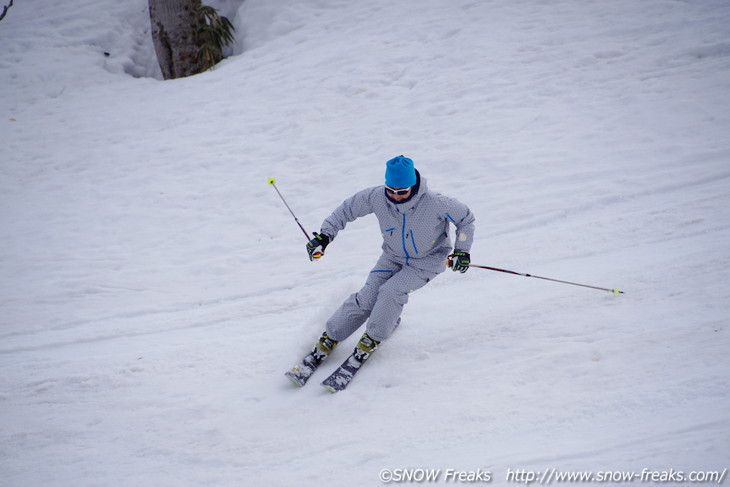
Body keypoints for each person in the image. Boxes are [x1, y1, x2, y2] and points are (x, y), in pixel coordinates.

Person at [286, 155, 475, 388]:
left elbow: (466, 219)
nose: (396, 196)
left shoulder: (436, 203)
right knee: (366, 298)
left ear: (414, 186)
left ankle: (370, 340)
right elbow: (346, 210)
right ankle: (328, 340)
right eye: (391, 190)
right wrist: (325, 236)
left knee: (391, 292)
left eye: (402, 191)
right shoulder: (377, 197)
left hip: (427, 260)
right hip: (392, 255)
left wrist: (462, 251)